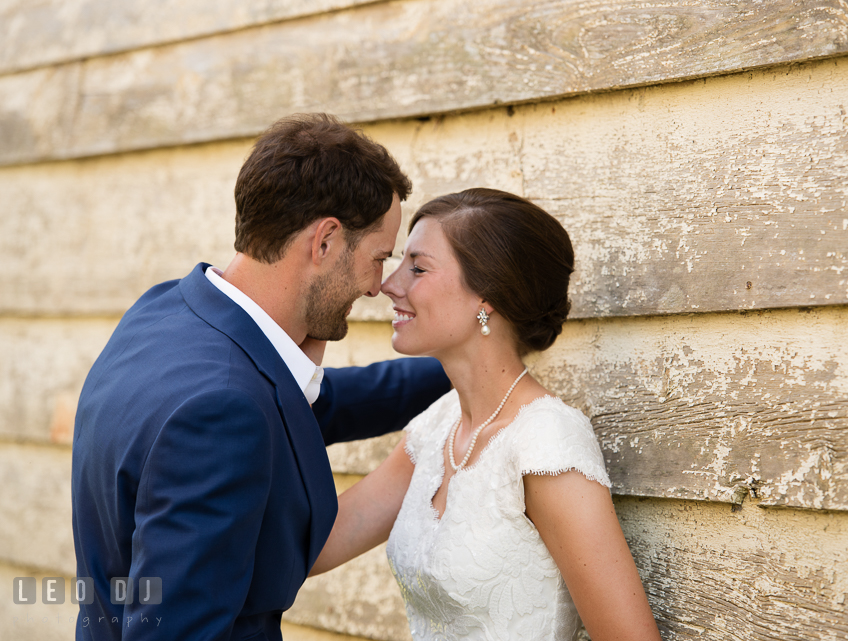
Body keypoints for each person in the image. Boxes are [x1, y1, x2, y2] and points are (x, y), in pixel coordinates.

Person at [71, 113, 450, 641]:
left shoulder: (163, 315)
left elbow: (309, 406)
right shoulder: (223, 410)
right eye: (378, 257)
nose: (376, 287)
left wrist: (459, 362)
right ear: (325, 242)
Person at [311, 188, 662, 640]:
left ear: (487, 296)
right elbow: (314, 548)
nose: (388, 284)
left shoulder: (546, 442)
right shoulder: (435, 428)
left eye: (417, 268)